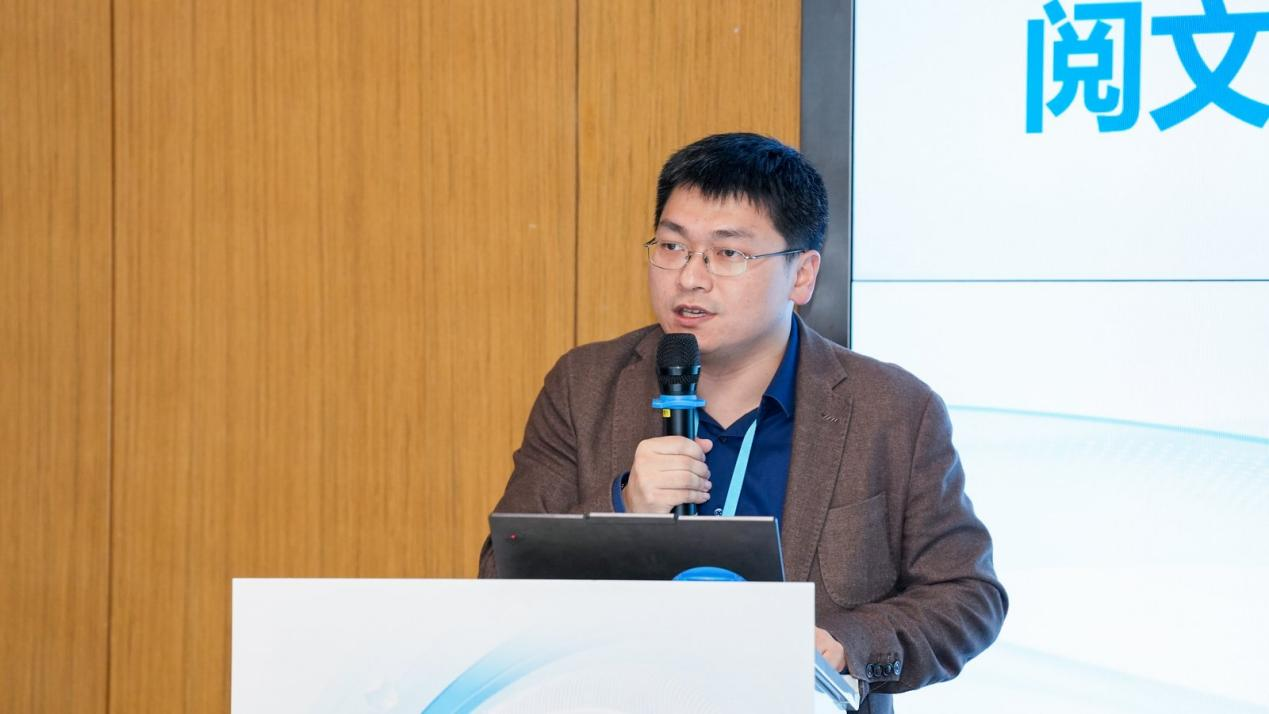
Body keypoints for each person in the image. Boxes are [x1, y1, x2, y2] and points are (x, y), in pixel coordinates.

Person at [478, 133, 1006, 713]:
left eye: (728, 253)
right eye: (672, 246)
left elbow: (967, 596)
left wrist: (845, 646)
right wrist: (624, 509)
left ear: (802, 274)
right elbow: (502, 578)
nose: (690, 277)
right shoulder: (585, 387)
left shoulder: (893, 410)